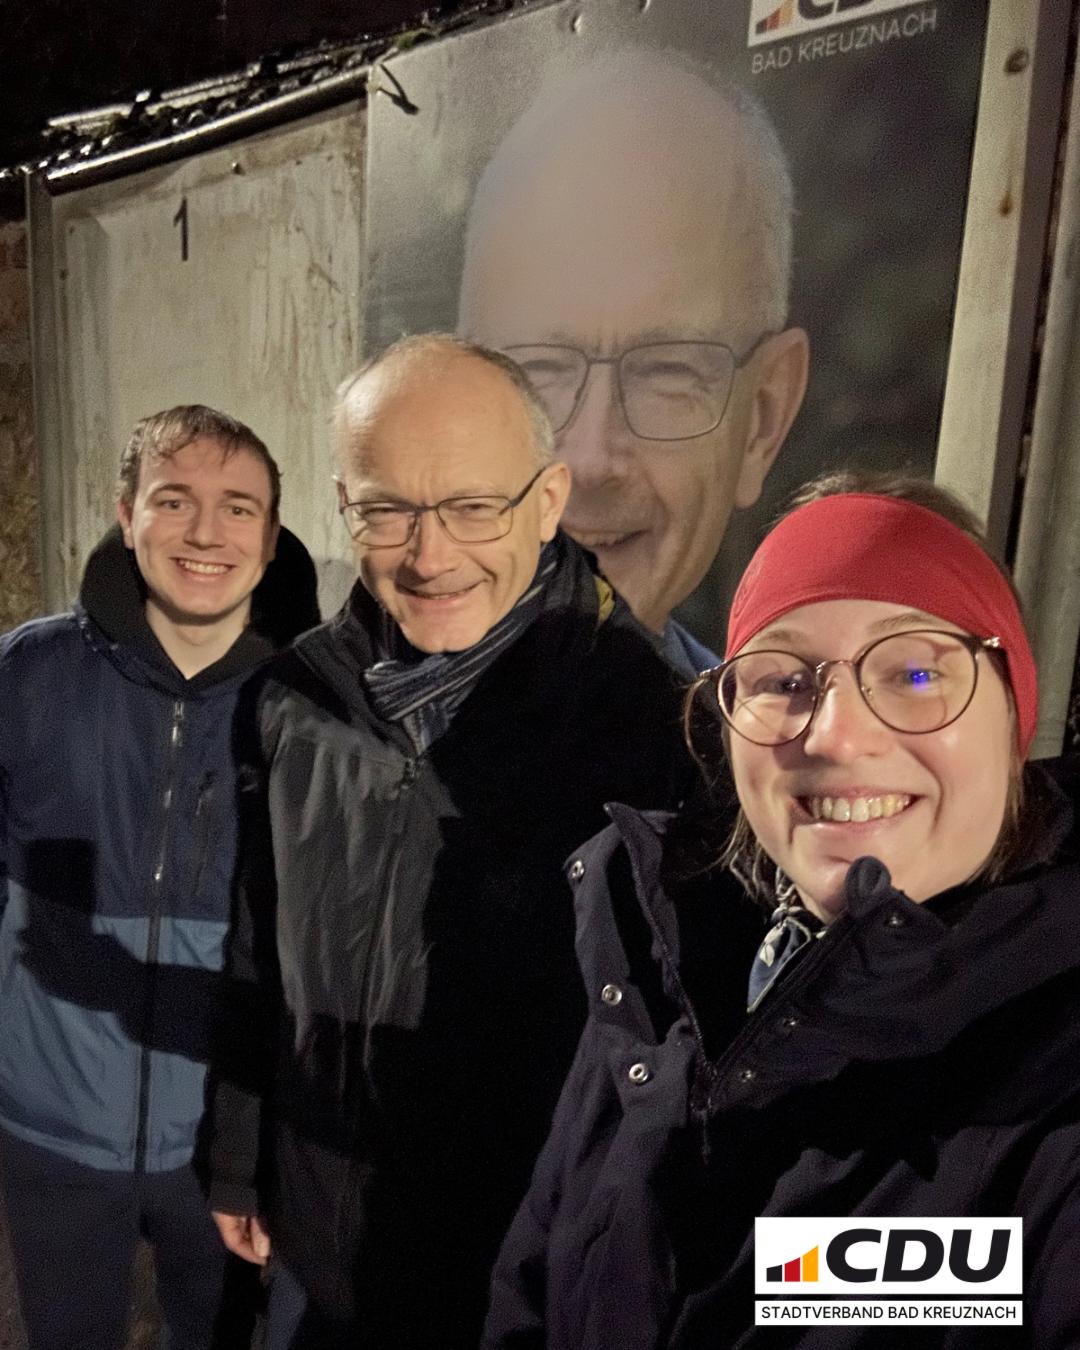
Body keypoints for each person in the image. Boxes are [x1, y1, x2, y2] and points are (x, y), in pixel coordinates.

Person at [484, 471, 1080, 1348]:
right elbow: (530, 1293)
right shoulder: (656, 970)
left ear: (1015, 713)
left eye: (917, 671)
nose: (834, 735)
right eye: (783, 679)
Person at [206, 334, 697, 1349]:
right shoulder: (291, 699)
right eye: (388, 510)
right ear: (345, 506)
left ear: (549, 501)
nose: (430, 557)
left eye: (475, 507)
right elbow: (257, 943)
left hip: (515, 1273)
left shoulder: (652, 727)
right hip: (320, 1232)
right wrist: (242, 1155)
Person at [0, 406, 319, 1350]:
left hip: (226, 1149)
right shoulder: (28, 674)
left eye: (237, 508)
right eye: (174, 500)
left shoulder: (313, 705)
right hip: (51, 1132)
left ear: (271, 536)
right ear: (127, 513)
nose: (205, 533)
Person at [458, 48, 809, 674]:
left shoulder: (739, 736)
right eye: (538, 372)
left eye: (667, 373)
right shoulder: (309, 722)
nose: (590, 461)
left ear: (763, 419)